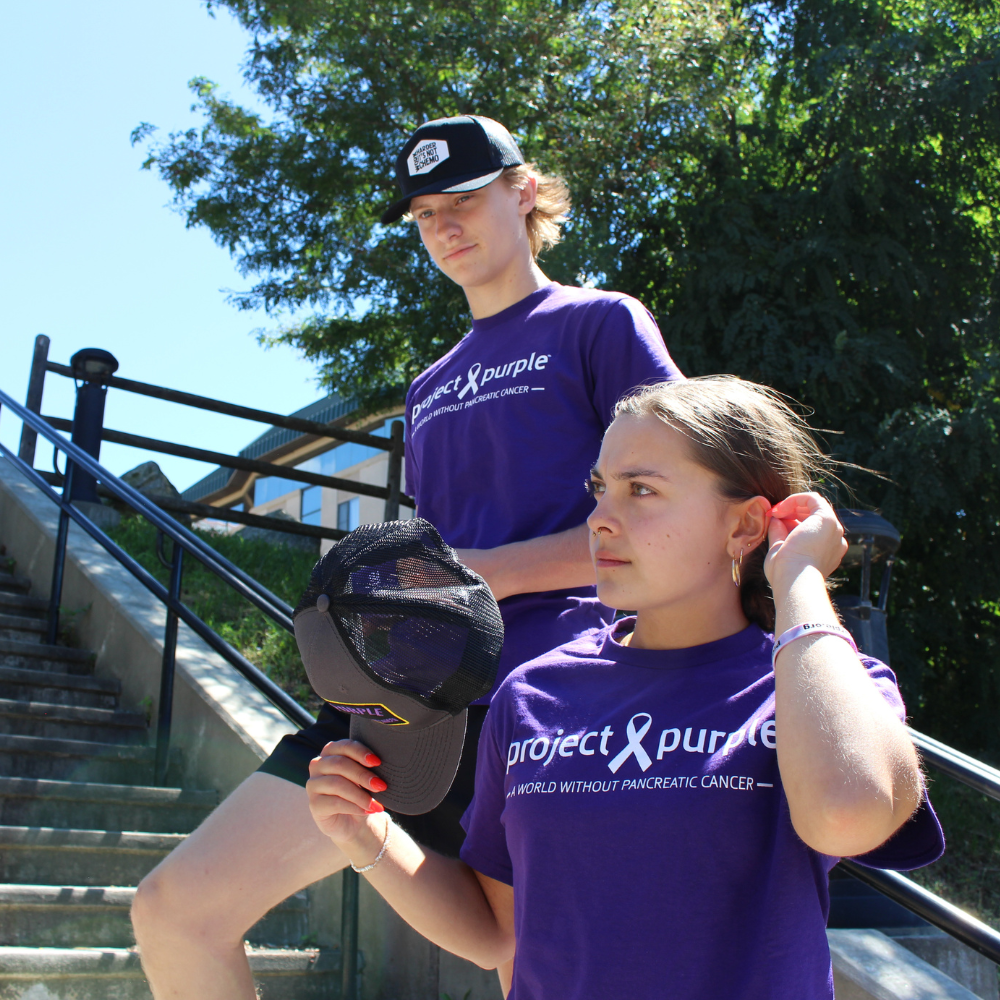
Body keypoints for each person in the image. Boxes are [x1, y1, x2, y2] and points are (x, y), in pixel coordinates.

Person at [130, 114, 680, 998]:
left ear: (524, 190)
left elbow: (672, 522)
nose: (443, 227)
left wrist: (483, 573)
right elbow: (429, 554)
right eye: (424, 213)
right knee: (174, 910)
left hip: (558, 691)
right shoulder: (425, 389)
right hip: (405, 701)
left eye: (462, 199)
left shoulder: (600, 323)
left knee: (528, 964)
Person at [305, 375, 944, 1000]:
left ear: (746, 526)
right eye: (600, 488)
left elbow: (844, 814)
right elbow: (498, 934)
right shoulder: (531, 694)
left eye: (640, 489)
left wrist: (798, 577)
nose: (599, 520)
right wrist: (367, 834)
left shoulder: (824, 689)